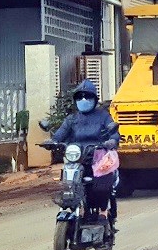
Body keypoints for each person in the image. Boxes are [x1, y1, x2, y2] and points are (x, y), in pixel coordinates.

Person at [47, 79, 119, 225]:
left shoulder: (103, 116)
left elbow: (114, 133)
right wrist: (53, 142)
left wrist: (112, 141)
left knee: (101, 186)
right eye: (80, 97)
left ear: (95, 99)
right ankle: (78, 209)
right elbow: (60, 134)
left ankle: (103, 211)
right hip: (77, 158)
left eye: (87, 96)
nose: (83, 100)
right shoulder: (72, 119)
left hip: (98, 159)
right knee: (68, 186)